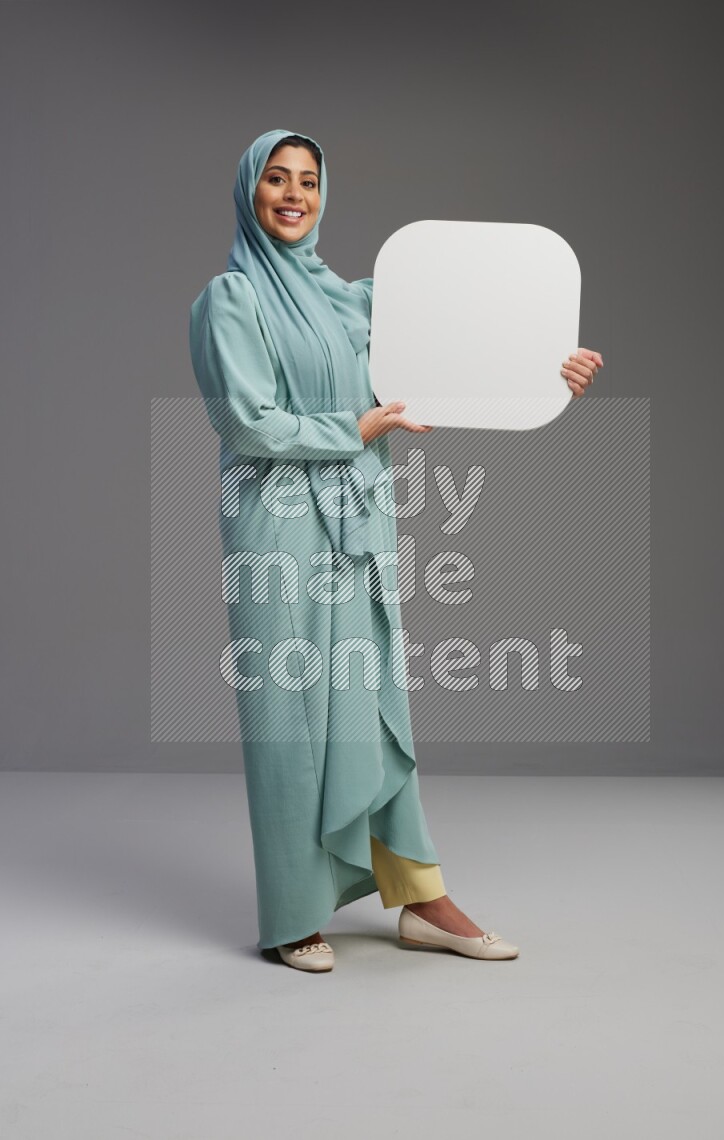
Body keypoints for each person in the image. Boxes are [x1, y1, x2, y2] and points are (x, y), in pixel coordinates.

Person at [189, 128, 602, 973]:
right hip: (276, 523)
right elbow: (246, 421)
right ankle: (293, 912)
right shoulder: (228, 300)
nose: (293, 194)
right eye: (276, 179)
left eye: (308, 180)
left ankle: (421, 899)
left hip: (359, 516)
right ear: (249, 190)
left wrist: (550, 371)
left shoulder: (352, 299)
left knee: (374, 704)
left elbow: (459, 350)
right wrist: (357, 427)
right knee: (291, 718)